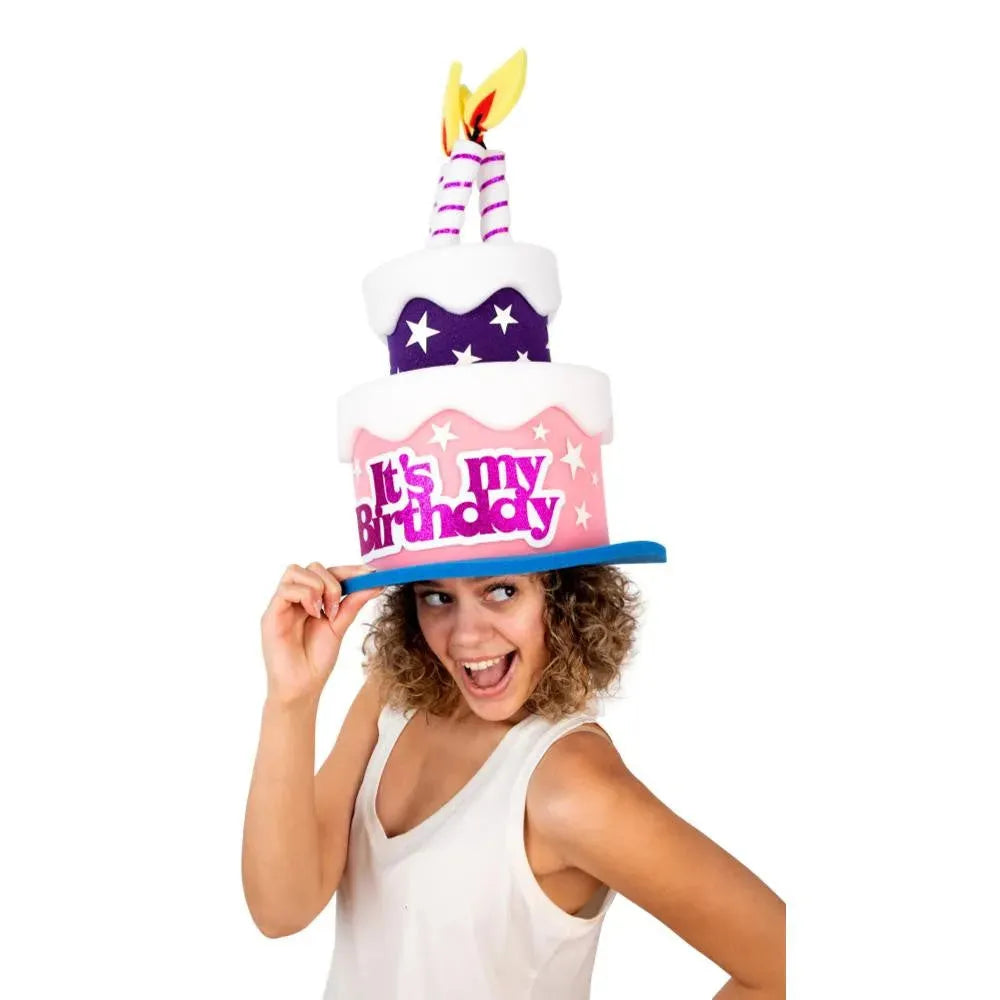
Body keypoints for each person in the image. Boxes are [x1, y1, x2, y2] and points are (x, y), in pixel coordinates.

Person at [242, 560, 786, 999]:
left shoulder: (570, 784)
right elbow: (281, 909)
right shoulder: (393, 699)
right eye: (437, 597)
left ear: (565, 597)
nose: (466, 635)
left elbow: (781, 962)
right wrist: (291, 699)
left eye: (501, 590)